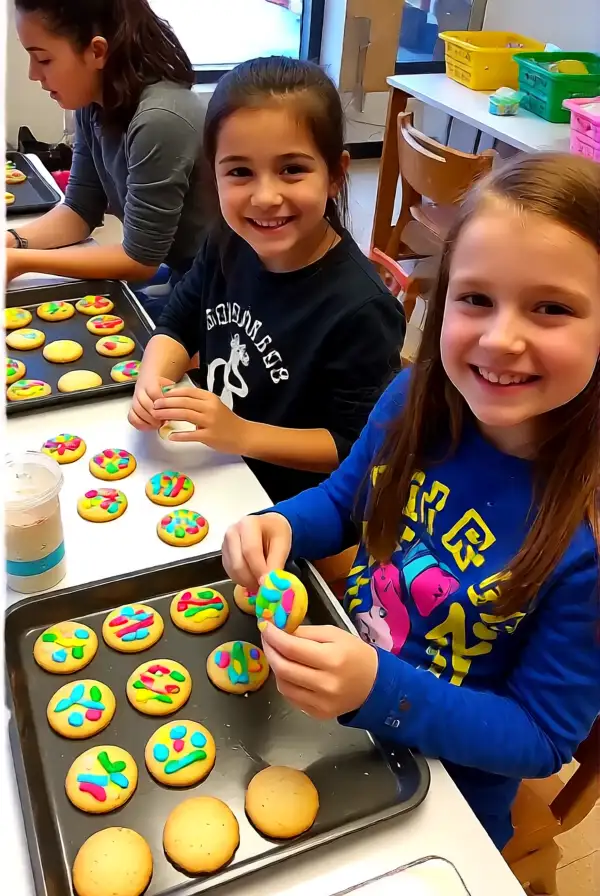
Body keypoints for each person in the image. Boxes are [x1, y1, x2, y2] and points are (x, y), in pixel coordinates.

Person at [222, 153, 600, 849]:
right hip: (333, 703)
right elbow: (344, 503)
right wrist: (278, 525)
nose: (501, 338)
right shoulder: (411, 402)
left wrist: (381, 689)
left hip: (449, 790)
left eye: (551, 308)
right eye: (475, 298)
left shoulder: (588, 538)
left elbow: (543, 737)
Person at [130, 56, 405, 503]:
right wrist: (152, 379)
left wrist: (240, 433)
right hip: (217, 469)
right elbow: (177, 323)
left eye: (292, 169)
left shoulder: (362, 309)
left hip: (287, 506)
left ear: (336, 175)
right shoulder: (227, 242)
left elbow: (353, 446)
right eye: (240, 172)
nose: (265, 197)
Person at [6, 0, 207, 319]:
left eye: (43, 59)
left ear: (97, 51)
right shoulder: (93, 104)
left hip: (222, 291)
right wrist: (10, 242)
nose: (33, 74)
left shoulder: (159, 120)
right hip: (181, 273)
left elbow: (140, 260)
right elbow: (79, 210)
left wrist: (20, 262)